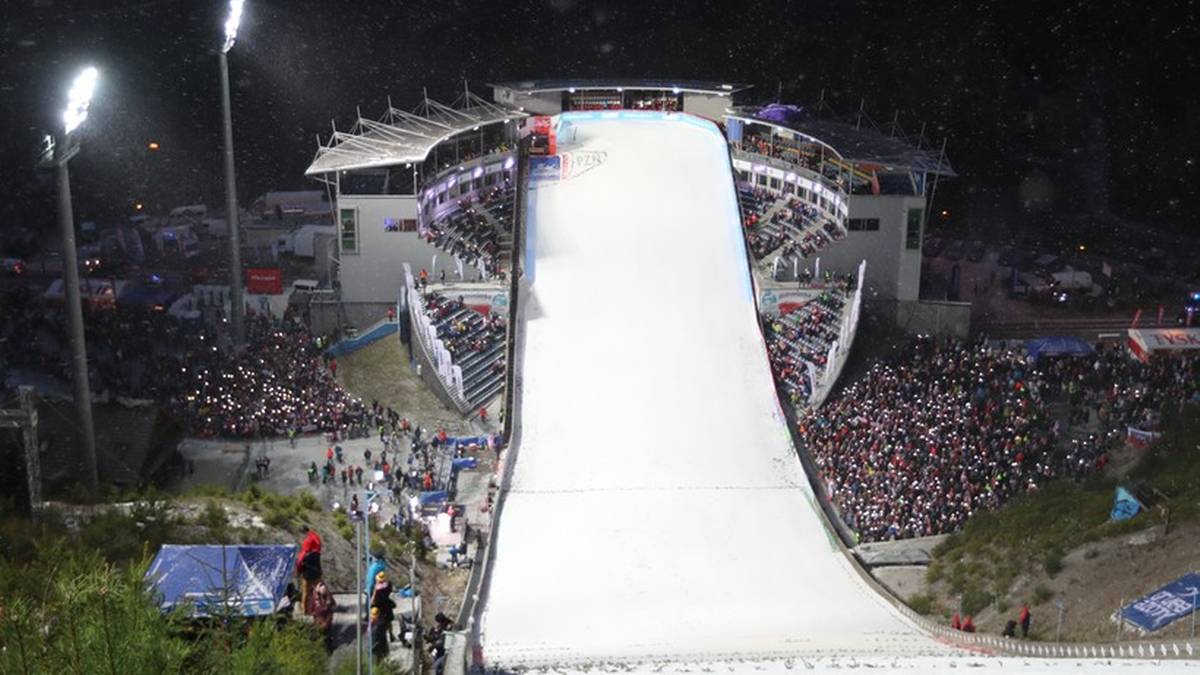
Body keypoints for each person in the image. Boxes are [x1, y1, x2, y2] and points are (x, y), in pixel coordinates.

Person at [297, 525, 323, 611]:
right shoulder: (316, 538)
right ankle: (320, 607)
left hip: (308, 571)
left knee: (305, 591)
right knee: (319, 589)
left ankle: (304, 609)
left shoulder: (307, 541)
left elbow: (300, 560)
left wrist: (298, 571)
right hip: (317, 569)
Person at [310, 579, 336, 652]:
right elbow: (312, 610)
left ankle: (329, 648)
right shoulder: (314, 598)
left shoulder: (328, 596)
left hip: (327, 620)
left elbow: (334, 605)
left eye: (323, 586)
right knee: (319, 635)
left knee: (327, 636)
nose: (323, 588)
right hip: (319, 621)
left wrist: (329, 608)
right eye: (320, 586)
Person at [371, 571, 397, 642]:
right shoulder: (389, 585)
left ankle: (382, 637)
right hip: (388, 605)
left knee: (381, 621)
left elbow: (373, 599)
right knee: (389, 622)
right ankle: (391, 634)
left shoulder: (377, 588)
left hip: (380, 607)